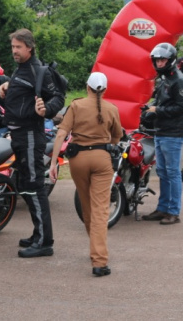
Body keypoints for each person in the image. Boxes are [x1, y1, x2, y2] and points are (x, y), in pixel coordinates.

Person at [0, 29, 65, 258]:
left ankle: (45, 242)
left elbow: (58, 97)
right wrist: (6, 88)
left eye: (18, 47)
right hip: (17, 134)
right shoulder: (21, 68)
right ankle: (38, 234)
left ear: (29, 47)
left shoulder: (38, 70)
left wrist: (47, 110)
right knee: (25, 186)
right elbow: (23, 93)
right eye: (13, 47)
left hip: (30, 135)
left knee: (34, 186)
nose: (14, 51)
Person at [49, 72, 121, 276]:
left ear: (87, 87)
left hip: (78, 160)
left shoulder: (76, 105)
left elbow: (61, 134)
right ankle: (99, 260)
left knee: (87, 205)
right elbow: (116, 137)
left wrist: (53, 163)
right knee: (100, 210)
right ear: (105, 90)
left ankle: (94, 247)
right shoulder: (112, 109)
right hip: (102, 159)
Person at [141, 43, 183, 225]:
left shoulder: (179, 80)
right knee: (162, 171)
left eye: (162, 60)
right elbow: (160, 100)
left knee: (172, 172)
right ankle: (162, 208)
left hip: (173, 132)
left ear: (170, 60)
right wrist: (149, 108)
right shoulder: (164, 78)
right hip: (160, 130)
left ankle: (173, 211)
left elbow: (181, 108)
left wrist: (157, 110)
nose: (159, 63)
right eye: (157, 60)